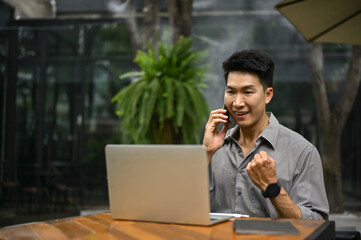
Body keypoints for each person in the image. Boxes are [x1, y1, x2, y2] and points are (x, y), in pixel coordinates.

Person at [203, 49, 329, 219]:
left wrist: (272, 187)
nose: (237, 103)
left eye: (248, 92)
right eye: (231, 92)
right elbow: (184, 210)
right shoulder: (213, 147)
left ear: (267, 95)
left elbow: (316, 224)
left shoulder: (302, 152)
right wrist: (206, 153)